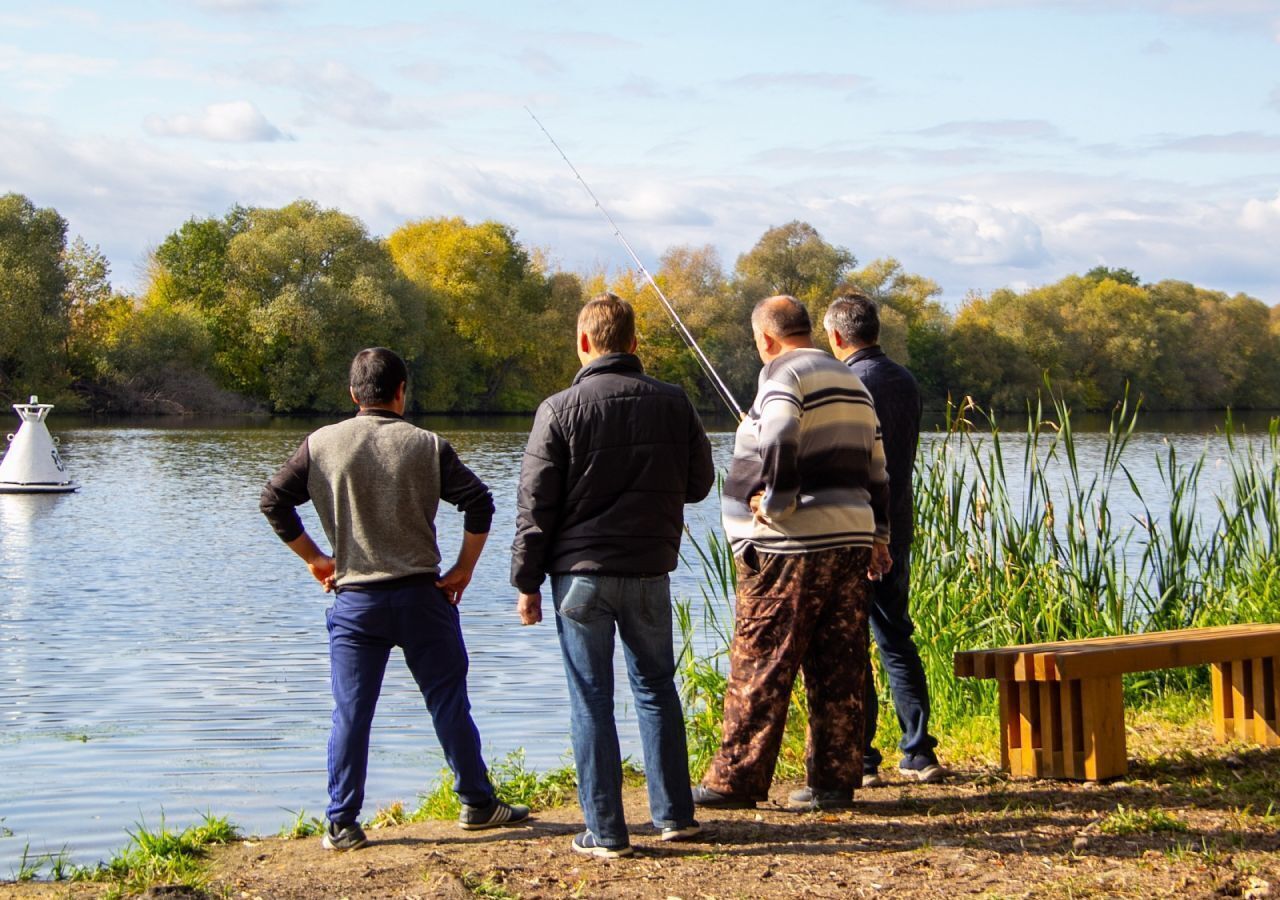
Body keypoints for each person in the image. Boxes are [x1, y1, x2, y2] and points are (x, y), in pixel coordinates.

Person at [260, 347, 530, 852]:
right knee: (448, 703)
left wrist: (316, 560)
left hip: (355, 603)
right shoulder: (426, 445)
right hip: (421, 598)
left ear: (353, 394)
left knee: (351, 713)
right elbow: (480, 502)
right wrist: (463, 570)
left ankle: (342, 822)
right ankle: (476, 803)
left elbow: (273, 500)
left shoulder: (320, 444)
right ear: (402, 392)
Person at [511, 294, 715, 859]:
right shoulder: (675, 404)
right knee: (655, 688)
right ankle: (674, 815)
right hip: (649, 570)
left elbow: (535, 506)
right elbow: (699, 483)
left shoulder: (557, 409)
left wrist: (526, 583)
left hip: (578, 577)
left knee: (591, 699)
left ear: (583, 344)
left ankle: (606, 831)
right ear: (632, 343)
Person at [692, 295, 891, 812]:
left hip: (790, 547)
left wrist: (779, 500)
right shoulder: (852, 380)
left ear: (766, 338)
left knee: (761, 659)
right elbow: (877, 467)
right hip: (849, 541)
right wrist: (879, 536)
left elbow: (779, 430)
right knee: (839, 664)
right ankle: (833, 782)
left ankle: (734, 783)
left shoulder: (783, 375)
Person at [824, 292, 946, 785]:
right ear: (875, 330)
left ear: (835, 336)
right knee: (895, 636)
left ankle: (864, 758)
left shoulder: (848, 383)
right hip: (899, 526)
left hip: (858, 530)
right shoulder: (904, 380)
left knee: (853, 641)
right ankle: (918, 751)